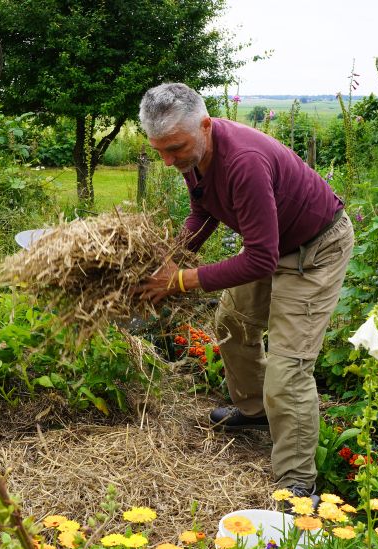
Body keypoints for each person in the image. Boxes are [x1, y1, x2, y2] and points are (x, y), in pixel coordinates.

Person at [136, 82, 354, 502]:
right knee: (232, 323)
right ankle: (255, 412)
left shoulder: (244, 161)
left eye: (175, 148)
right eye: (159, 150)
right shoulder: (195, 157)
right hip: (272, 240)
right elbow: (203, 210)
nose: (167, 161)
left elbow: (259, 260)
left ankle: (297, 482)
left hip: (315, 248)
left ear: (205, 124)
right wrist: (174, 257)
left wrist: (179, 280)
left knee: (288, 370)